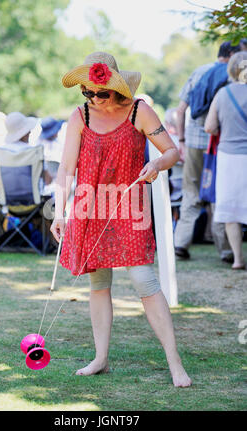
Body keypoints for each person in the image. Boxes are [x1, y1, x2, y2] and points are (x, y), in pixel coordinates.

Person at [50, 52, 192, 387]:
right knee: (98, 285)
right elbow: (66, 169)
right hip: (90, 208)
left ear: (118, 88)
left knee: (145, 282)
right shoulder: (80, 116)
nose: (95, 99)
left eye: (101, 92)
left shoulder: (139, 111)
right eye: (88, 93)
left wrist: (156, 165)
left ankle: (175, 363)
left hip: (130, 207)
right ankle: (100, 358)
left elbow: (172, 151)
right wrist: (59, 211)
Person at [174, 41, 240, 261]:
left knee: (190, 192)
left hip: (193, 142)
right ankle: (226, 250)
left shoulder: (199, 72)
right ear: (231, 55)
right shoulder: (232, 77)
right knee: (218, 194)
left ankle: (181, 243)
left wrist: (181, 140)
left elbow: (181, 110)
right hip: (218, 145)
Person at [205, 51, 247, 270]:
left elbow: (209, 127)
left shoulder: (222, 94)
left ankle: (238, 260)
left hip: (229, 157)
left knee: (232, 211)